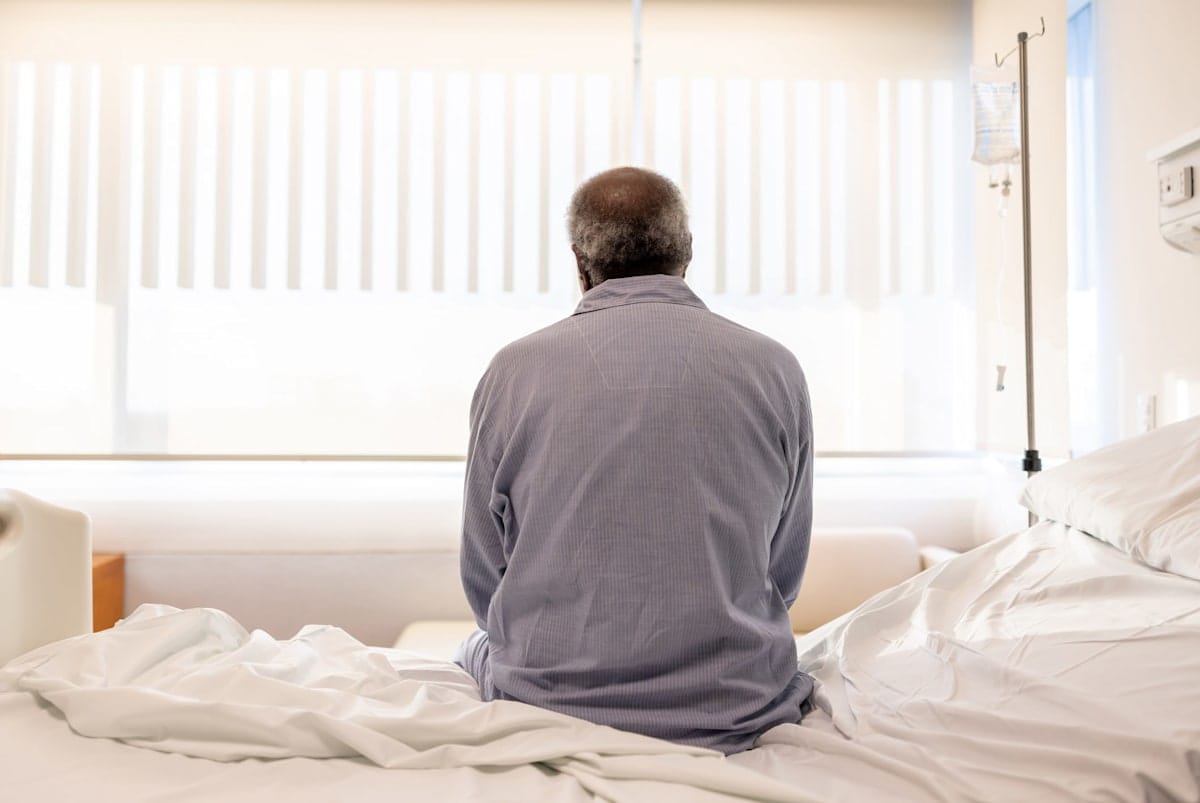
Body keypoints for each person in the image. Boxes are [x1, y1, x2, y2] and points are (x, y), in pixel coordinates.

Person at [455, 166, 814, 754]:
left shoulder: (512, 370)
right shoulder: (774, 367)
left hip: (548, 705)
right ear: (688, 251)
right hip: (736, 707)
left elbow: (484, 579)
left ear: (579, 261)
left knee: (466, 650)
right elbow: (782, 572)